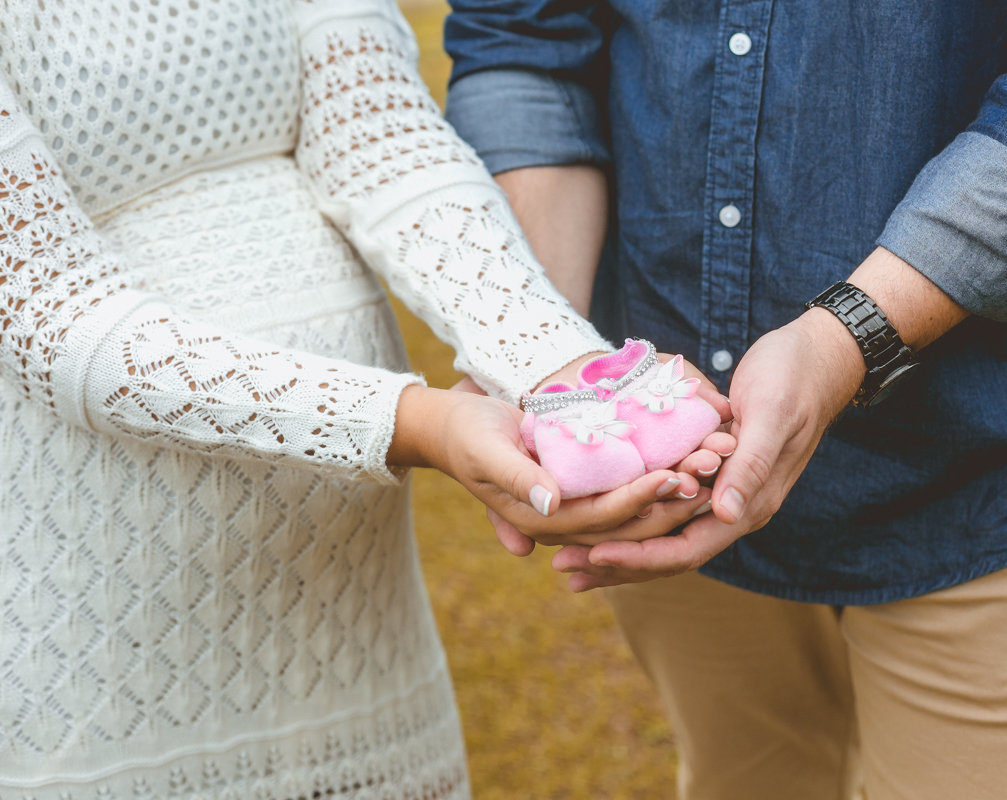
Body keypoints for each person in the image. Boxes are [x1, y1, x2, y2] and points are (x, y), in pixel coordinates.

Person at [442, 1, 1007, 797]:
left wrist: (848, 340)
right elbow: (525, 35)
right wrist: (543, 357)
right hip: (676, 470)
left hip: (1005, 453)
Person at [0, 1, 727, 797]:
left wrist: (556, 365)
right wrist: (411, 423)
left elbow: (382, 137)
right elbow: (53, 315)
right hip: (96, 592)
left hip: (347, 595)